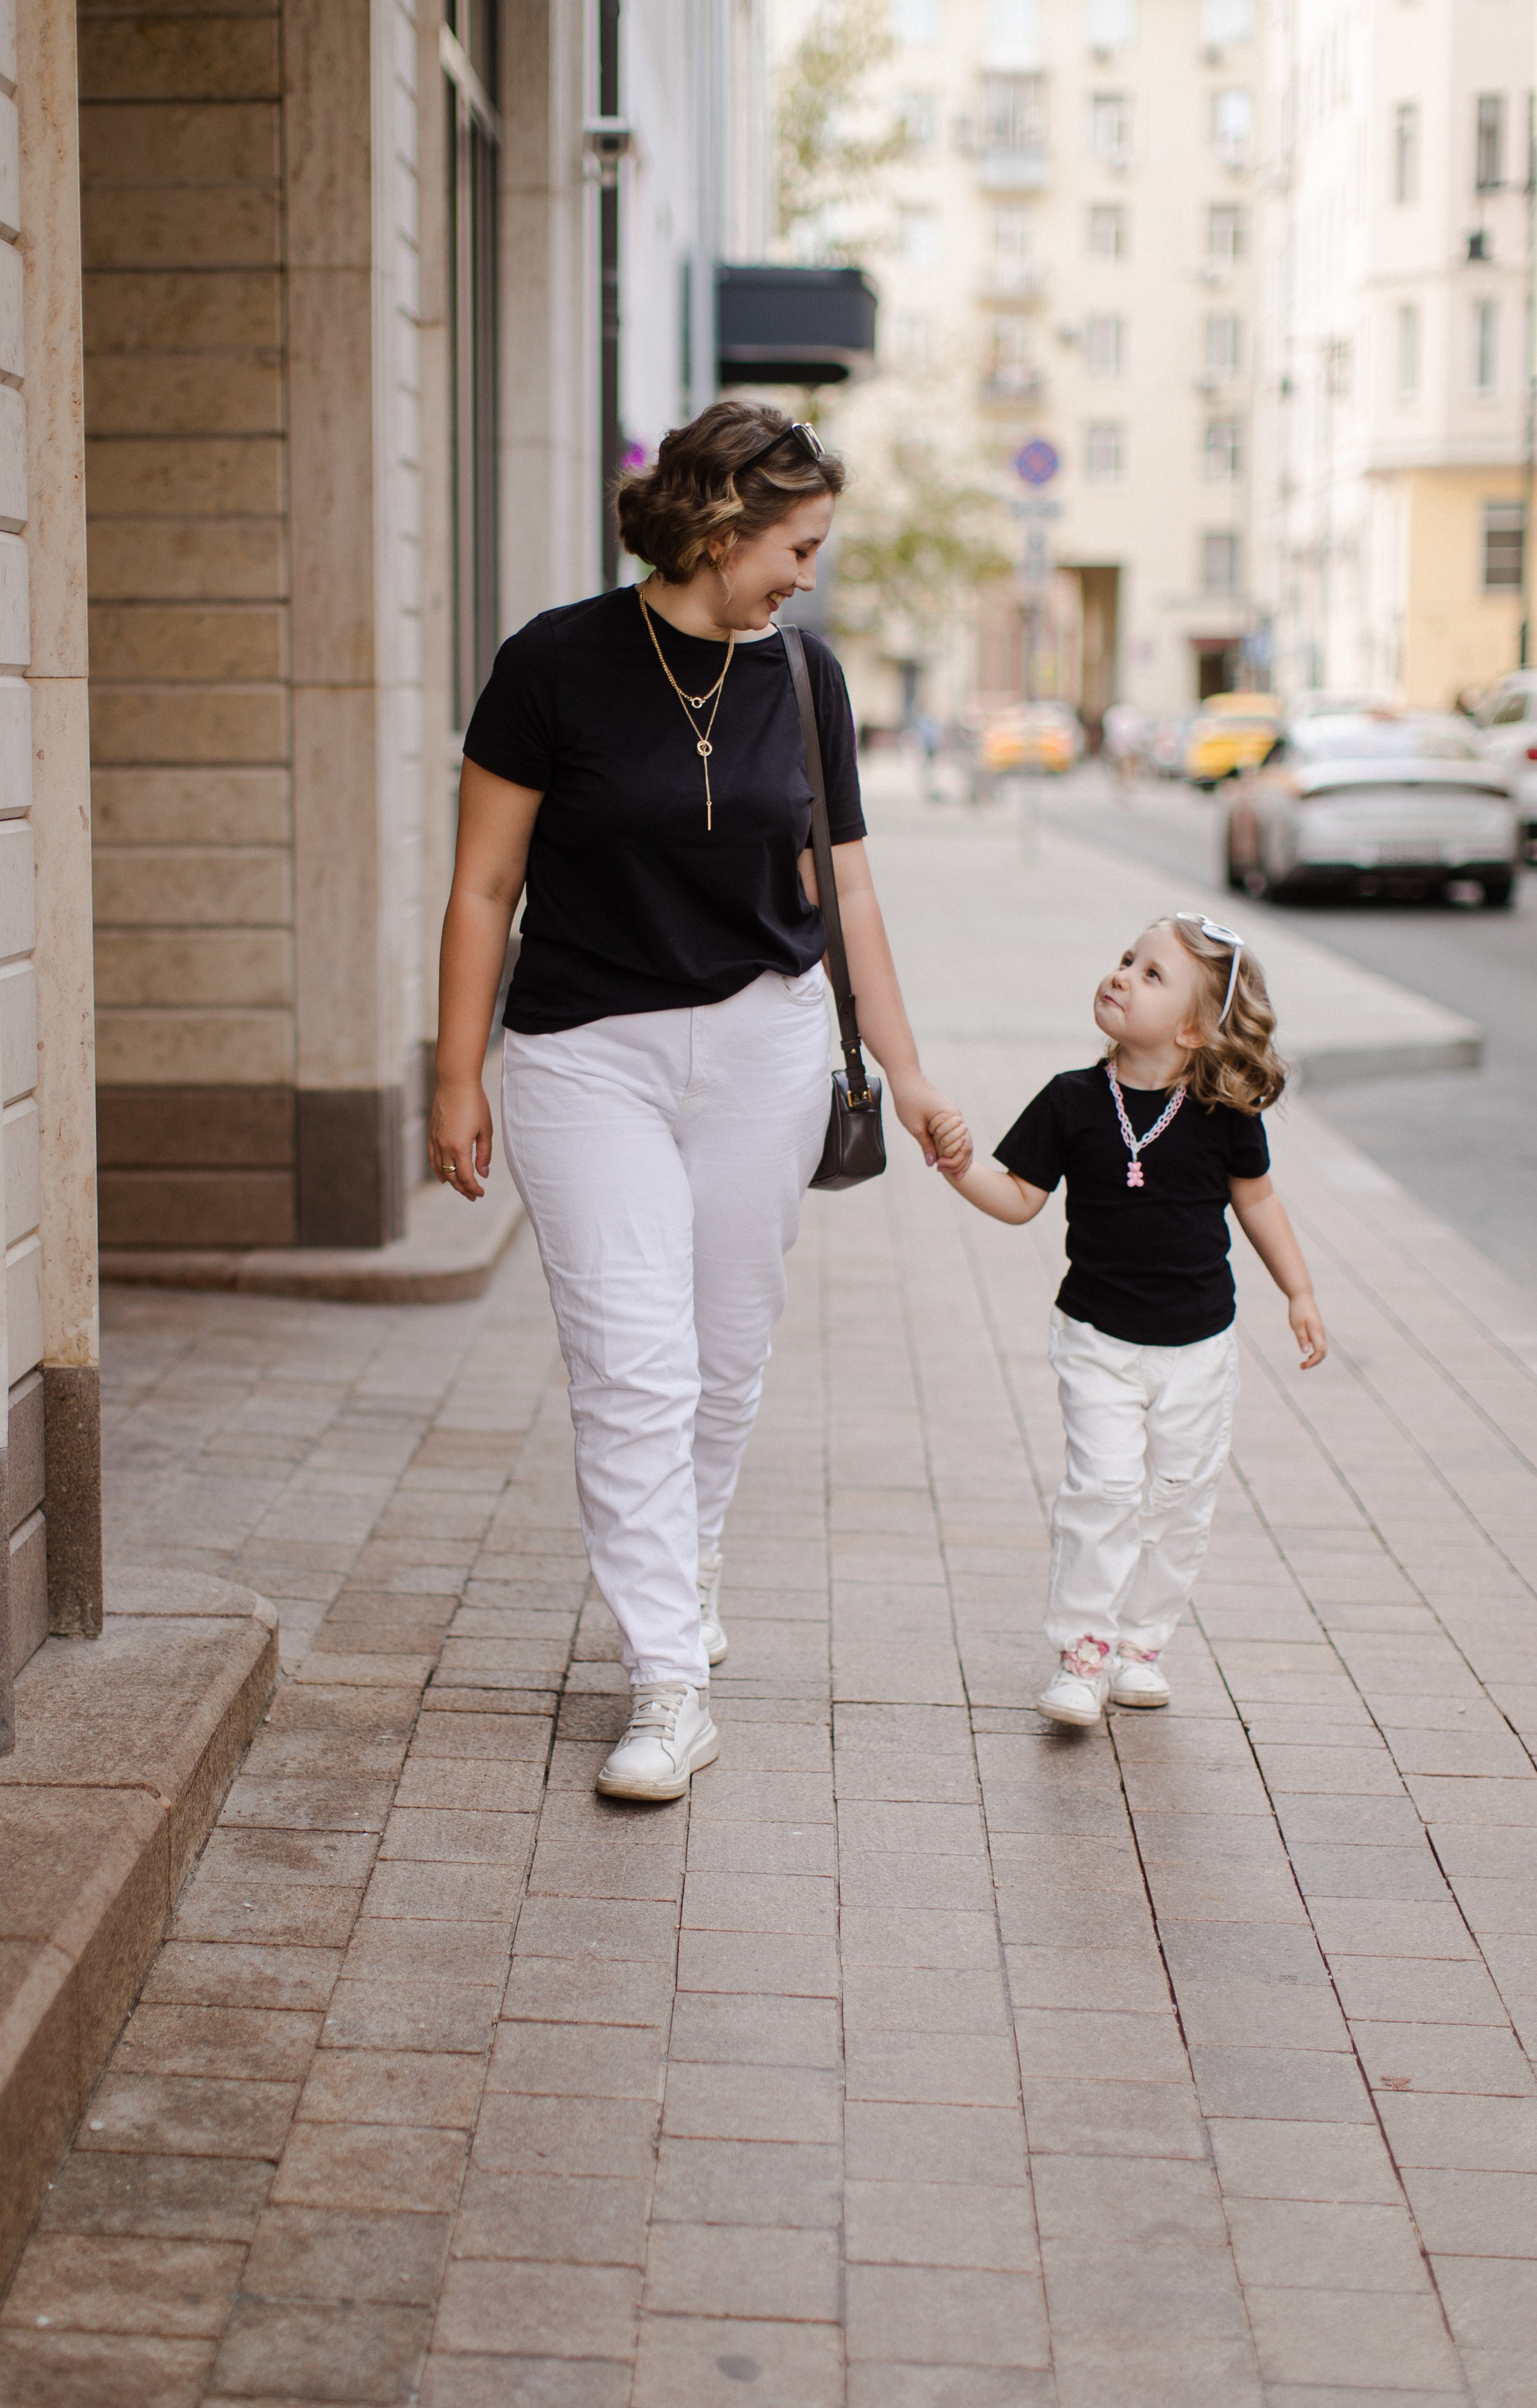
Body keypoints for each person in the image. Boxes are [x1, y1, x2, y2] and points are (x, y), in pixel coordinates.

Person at [427, 401, 954, 1801]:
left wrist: (905, 1074)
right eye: (796, 546)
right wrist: (450, 1072)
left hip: (764, 1051)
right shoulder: (553, 664)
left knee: (722, 1353)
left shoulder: (809, 677)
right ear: (719, 530)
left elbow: (843, 889)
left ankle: (692, 1547)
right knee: (631, 1365)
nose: (807, 575)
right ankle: (664, 1679)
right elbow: (484, 885)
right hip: (582, 1056)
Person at [928, 914, 1326, 1727]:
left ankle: (1141, 1645)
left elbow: (1258, 1202)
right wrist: (962, 1169)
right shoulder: (1072, 1100)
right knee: (1103, 1489)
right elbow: (1019, 1200)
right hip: (1096, 1339)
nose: (1120, 976)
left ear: (1190, 1027)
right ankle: (1083, 1653)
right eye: (1124, 960)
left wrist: (1299, 1291)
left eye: (1150, 975)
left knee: (1180, 1498)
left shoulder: (1220, 1112)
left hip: (1198, 1349)